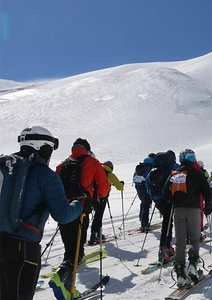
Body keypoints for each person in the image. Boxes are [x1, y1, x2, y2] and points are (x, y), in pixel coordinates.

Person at [0, 126, 85, 300]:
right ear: (44, 149)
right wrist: (80, 203)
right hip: (24, 250)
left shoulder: (7, 168)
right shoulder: (45, 175)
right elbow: (63, 215)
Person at [51, 138, 109, 299]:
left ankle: (67, 283)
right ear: (87, 149)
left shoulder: (62, 165)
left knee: (69, 246)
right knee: (76, 250)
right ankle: (61, 280)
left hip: (62, 209)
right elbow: (103, 188)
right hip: (80, 210)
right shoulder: (92, 162)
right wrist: (99, 196)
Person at [163, 149, 212, 287]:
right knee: (194, 238)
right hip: (194, 210)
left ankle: (180, 272)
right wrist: (208, 207)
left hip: (178, 210)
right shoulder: (198, 173)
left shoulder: (175, 173)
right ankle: (192, 266)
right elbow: (207, 192)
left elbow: (165, 193)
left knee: (180, 240)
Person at [146, 150, 179, 264]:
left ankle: (165, 248)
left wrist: (153, 196)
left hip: (157, 198)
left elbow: (147, 183)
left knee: (166, 221)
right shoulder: (173, 166)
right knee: (168, 223)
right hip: (168, 199)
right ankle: (164, 249)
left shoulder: (155, 167)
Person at [88, 161, 124, 245]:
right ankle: (94, 235)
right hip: (102, 197)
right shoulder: (110, 175)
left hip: (93, 196)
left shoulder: (97, 172)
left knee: (97, 215)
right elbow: (119, 187)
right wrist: (122, 184)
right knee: (99, 216)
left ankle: (98, 234)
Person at [133, 154, 154, 231]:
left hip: (138, 185)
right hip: (145, 186)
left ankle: (141, 219)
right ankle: (144, 224)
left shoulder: (141, 165)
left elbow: (134, 175)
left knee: (143, 202)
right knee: (146, 204)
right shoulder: (151, 166)